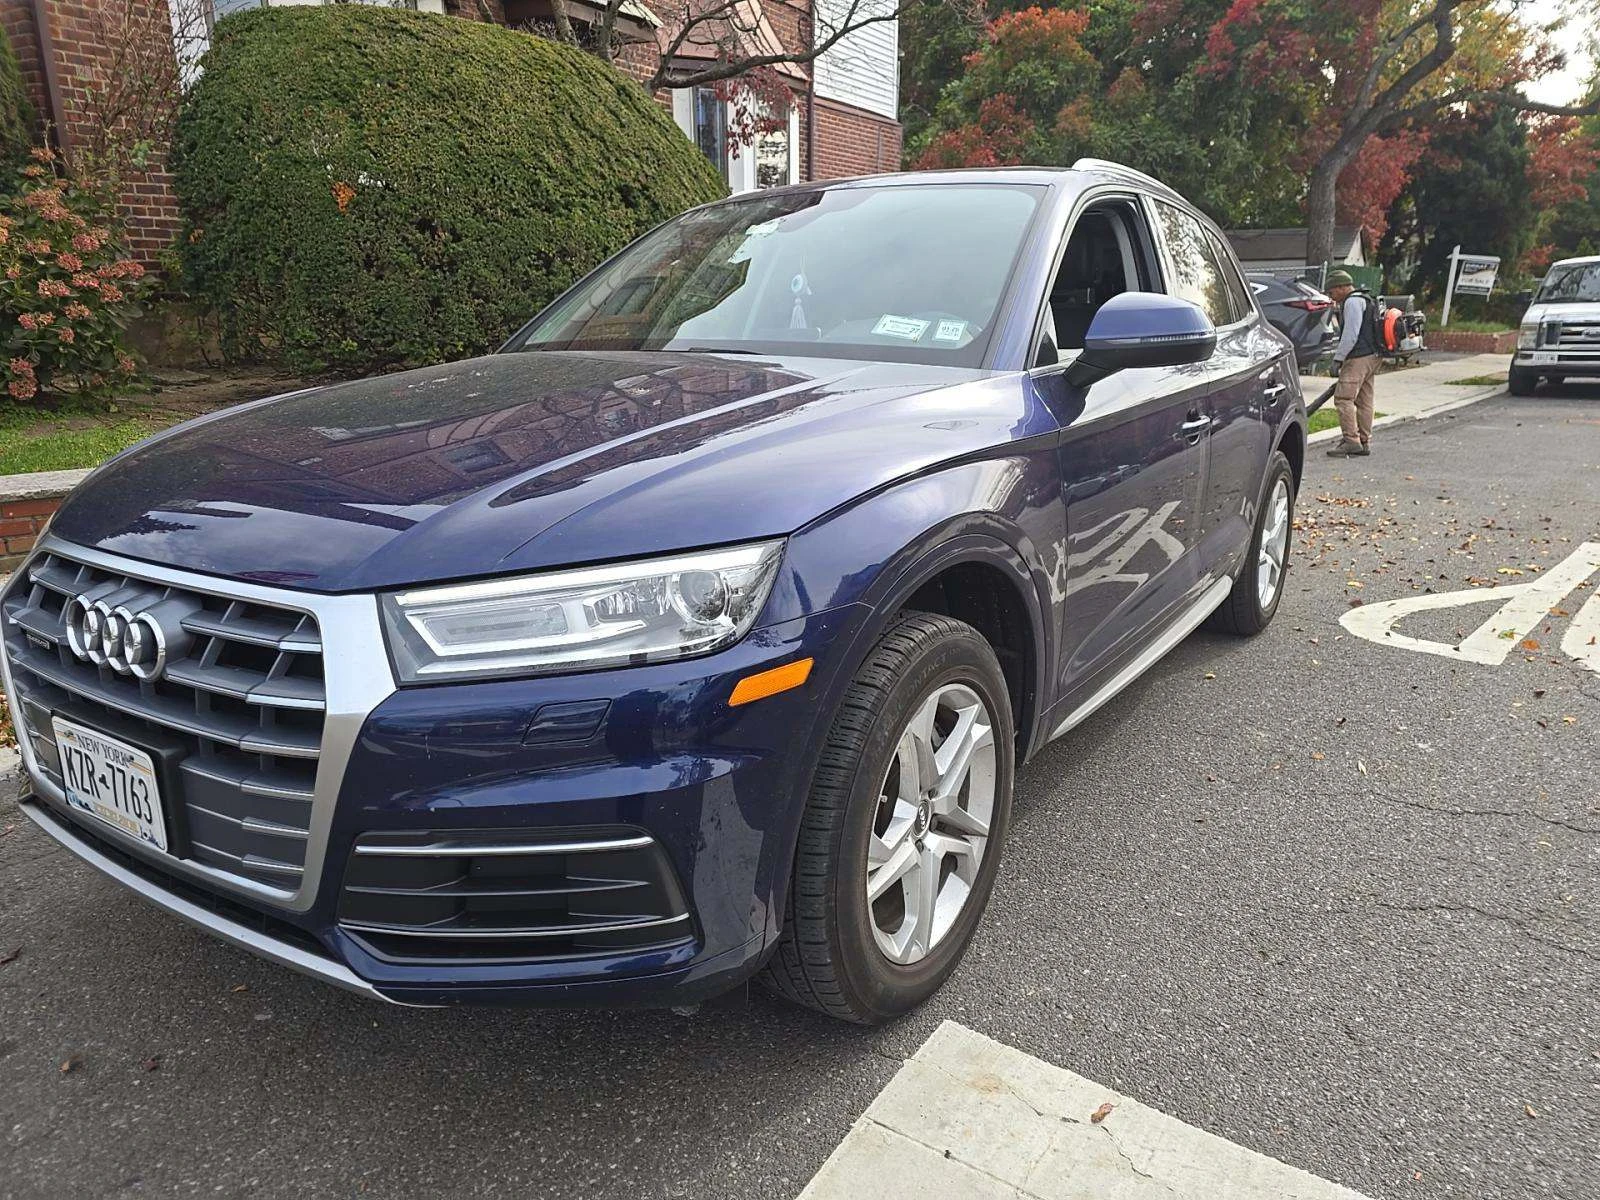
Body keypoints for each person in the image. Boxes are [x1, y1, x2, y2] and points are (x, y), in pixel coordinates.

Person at [1324, 269, 1378, 457]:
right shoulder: (1365, 299)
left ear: (1341, 287)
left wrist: (1338, 360)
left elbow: (1350, 335)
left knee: (1343, 398)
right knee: (1364, 400)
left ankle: (1351, 441)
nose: (1332, 297)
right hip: (1372, 356)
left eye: (1332, 292)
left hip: (1358, 357)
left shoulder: (1352, 302)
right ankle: (1364, 441)